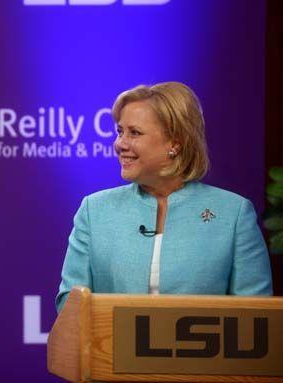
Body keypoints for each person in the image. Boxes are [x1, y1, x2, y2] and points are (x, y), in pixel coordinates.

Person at [56, 82, 272, 312]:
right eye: (120, 131)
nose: (120, 144)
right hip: (112, 348)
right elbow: (70, 306)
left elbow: (256, 318)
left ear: (175, 143)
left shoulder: (234, 214)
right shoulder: (94, 210)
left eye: (134, 133)